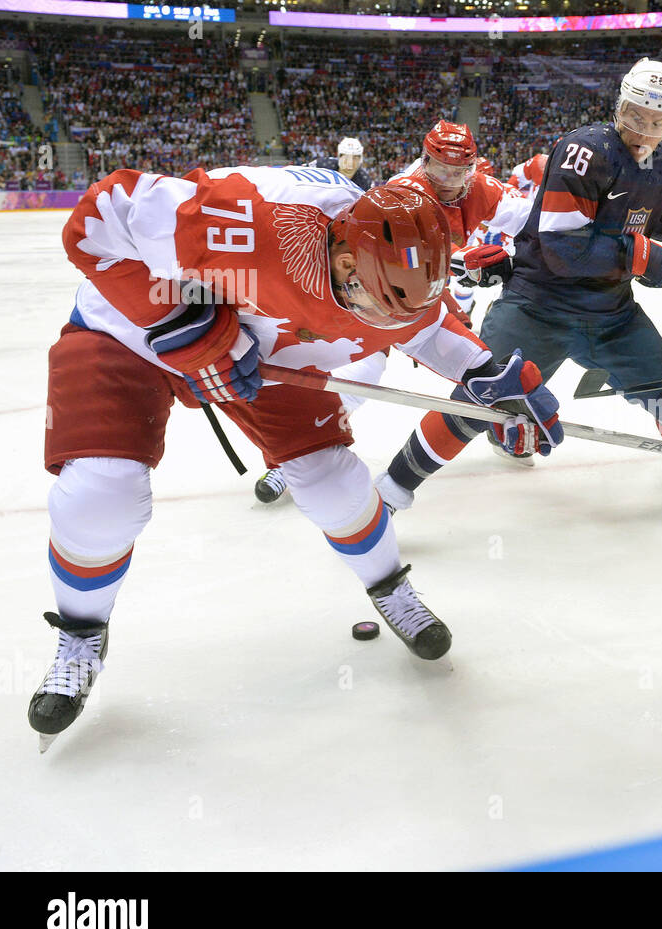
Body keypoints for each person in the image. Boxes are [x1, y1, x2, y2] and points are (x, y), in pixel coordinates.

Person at [31, 168, 562, 749]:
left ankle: (388, 586)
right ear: (343, 260)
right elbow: (99, 217)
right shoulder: (249, 216)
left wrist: (490, 373)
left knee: (334, 484)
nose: (384, 329)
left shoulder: (395, 272)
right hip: (128, 331)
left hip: (264, 348)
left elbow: (427, 327)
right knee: (101, 492)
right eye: (374, 307)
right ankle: (82, 632)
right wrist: (181, 324)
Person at [376, 58, 662, 510]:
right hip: (538, 304)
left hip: (611, 310)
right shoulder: (585, 150)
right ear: (620, 108)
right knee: (481, 394)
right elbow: (561, 246)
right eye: (636, 115)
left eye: (658, 121)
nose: (644, 129)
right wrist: (637, 255)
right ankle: (394, 484)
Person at [255, 122, 533, 504]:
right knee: (361, 369)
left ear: (471, 169)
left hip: (423, 296)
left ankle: (494, 426)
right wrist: (460, 263)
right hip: (371, 293)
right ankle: (293, 455)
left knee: (474, 363)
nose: (449, 180)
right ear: (424, 161)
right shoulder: (403, 192)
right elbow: (394, 263)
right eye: (439, 168)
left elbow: (534, 220)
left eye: (459, 171)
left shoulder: (479, 189)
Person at [307, 136, 373, 190]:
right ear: (339, 157)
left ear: (360, 160)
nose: (350, 165)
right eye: (346, 158)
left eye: (355, 158)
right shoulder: (321, 165)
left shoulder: (365, 181)